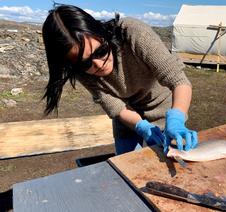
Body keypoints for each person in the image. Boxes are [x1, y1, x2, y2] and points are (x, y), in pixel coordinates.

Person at [41, 4, 198, 155]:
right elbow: (117, 107)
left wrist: (177, 118)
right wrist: (142, 126)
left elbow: (178, 80)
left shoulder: (132, 33)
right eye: (85, 63)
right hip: (126, 119)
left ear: (102, 33)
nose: (98, 64)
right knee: (129, 169)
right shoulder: (79, 71)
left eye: (101, 51)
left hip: (165, 112)